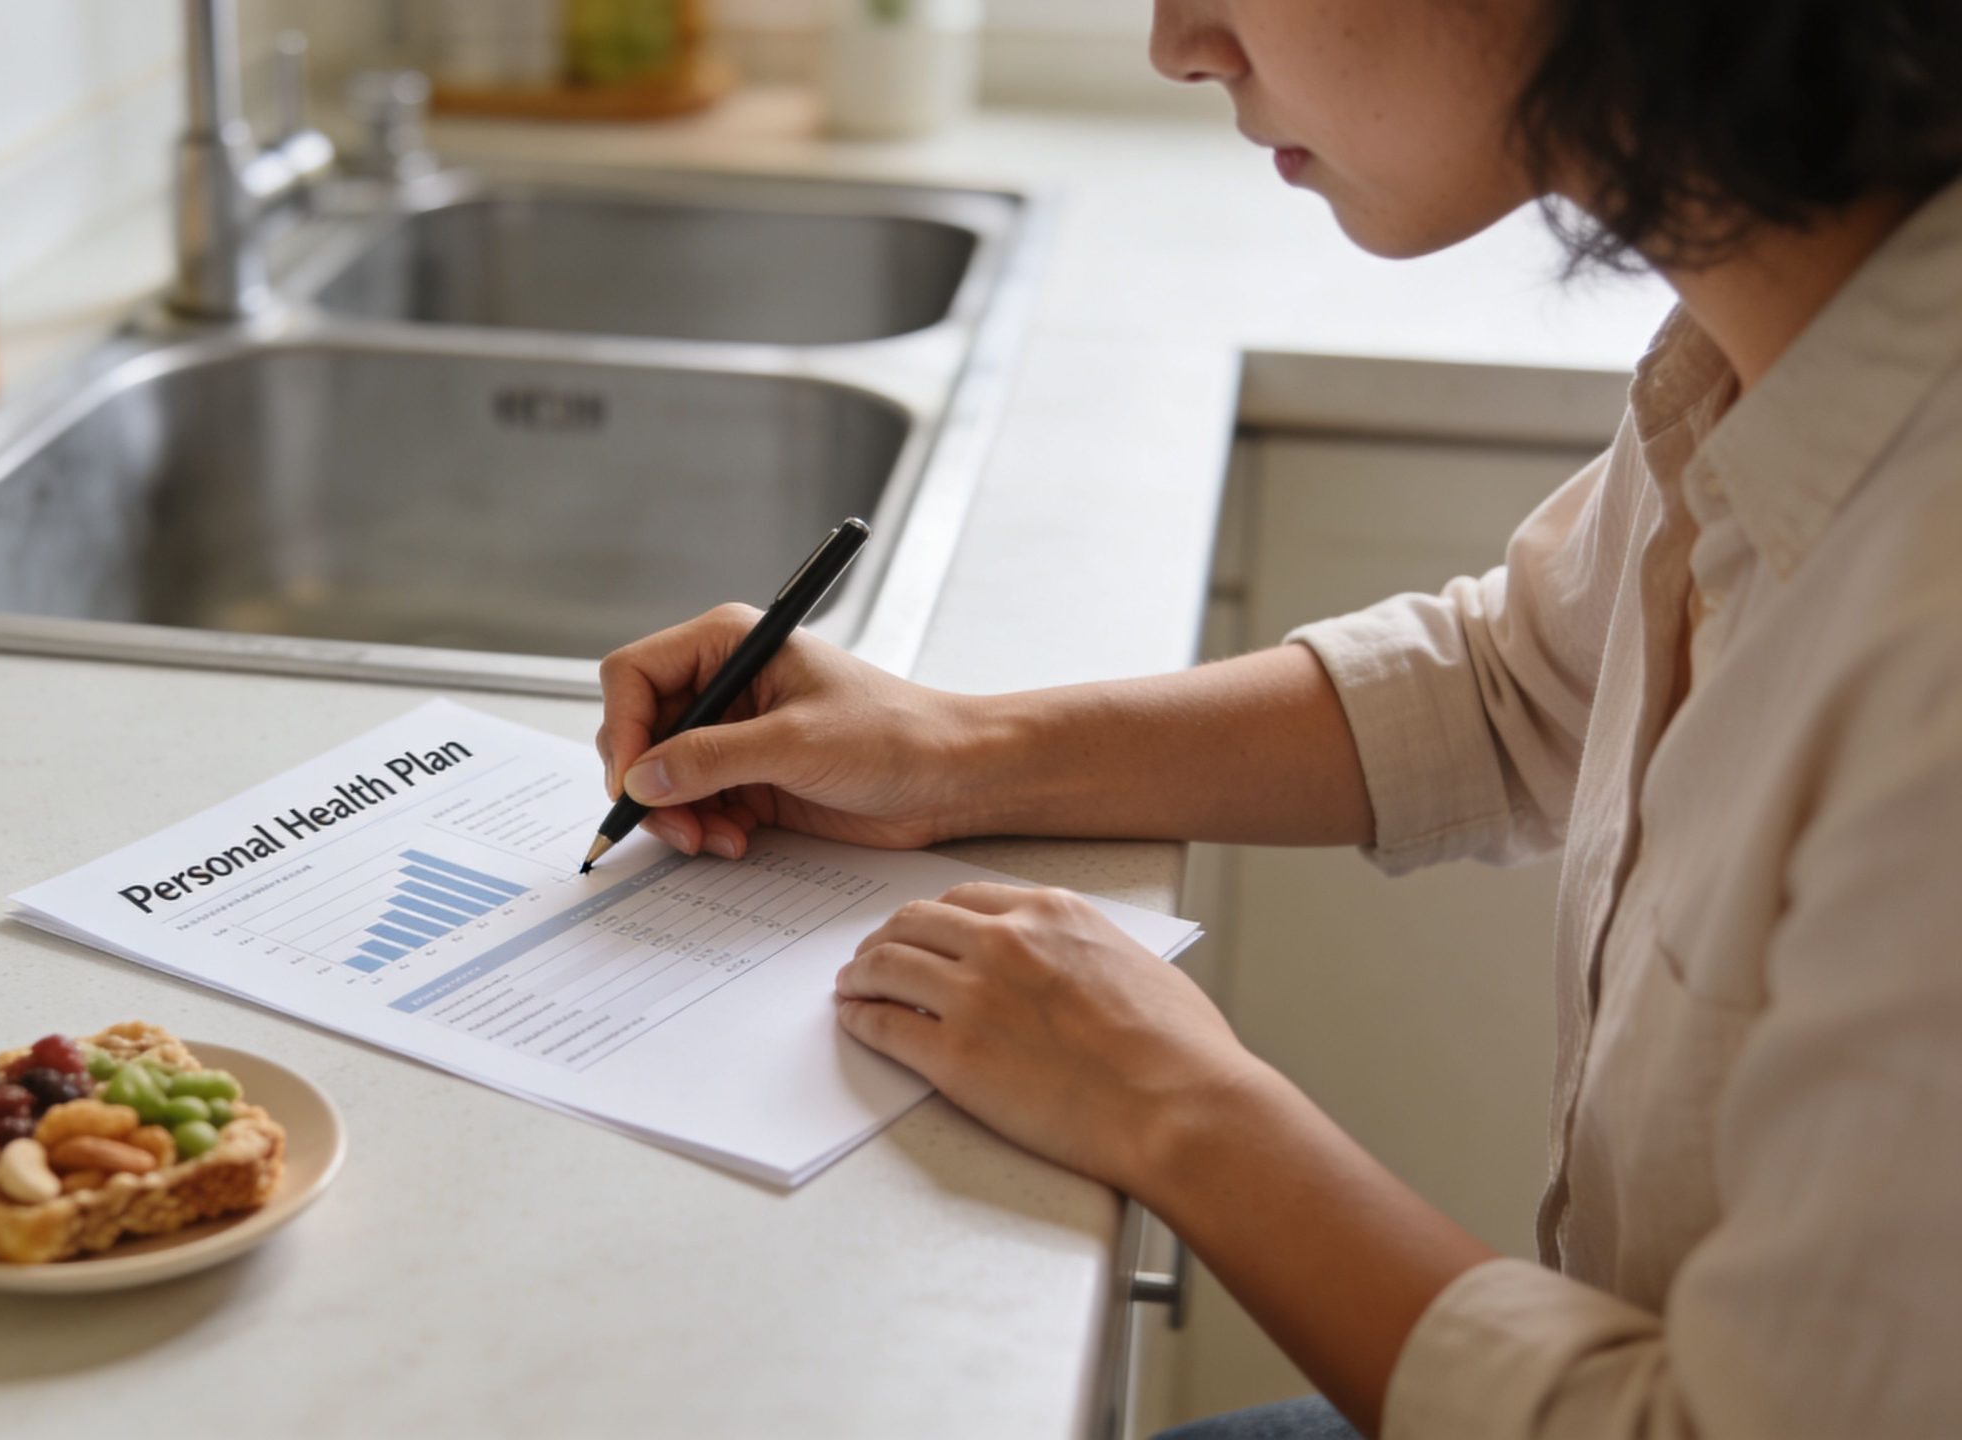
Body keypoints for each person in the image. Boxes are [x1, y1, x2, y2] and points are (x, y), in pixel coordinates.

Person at [592, 1, 1962, 1435]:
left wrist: (1176, 1105)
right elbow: (1515, 684)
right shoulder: (1795, 322)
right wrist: (951, 754)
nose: (1179, 42)